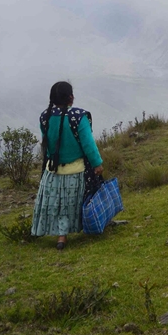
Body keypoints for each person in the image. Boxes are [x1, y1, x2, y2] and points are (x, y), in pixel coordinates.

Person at [31, 81, 104, 250]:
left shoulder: (45, 116)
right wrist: (97, 163)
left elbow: (47, 144)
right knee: (74, 204)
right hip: (75, 171)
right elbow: (88, 144)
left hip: (52, 172)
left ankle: (61, 237)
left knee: (58, 205)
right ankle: (93, 226)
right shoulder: (79, 116)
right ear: (71, 97)